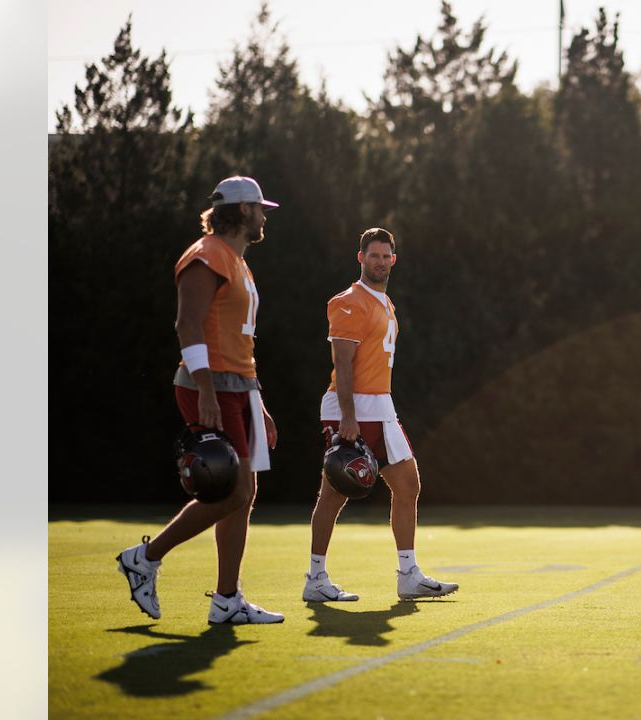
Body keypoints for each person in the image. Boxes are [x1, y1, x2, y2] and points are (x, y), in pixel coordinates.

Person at [115, 176, 285, 625]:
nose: (264, 215)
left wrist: (258, 400)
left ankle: (227, 600)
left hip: (238, 385)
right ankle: (146, 557)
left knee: (242, 493)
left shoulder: (237, 260)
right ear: (241, 211)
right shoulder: (207, 253)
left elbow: (238, 341)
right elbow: (187, 325)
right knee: (231, 493)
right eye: (259, 208)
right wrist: (207, 388)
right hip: (209, 385)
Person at [302, 227, 459, 603]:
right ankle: (316, 577)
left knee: (408, 486)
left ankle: (408, 574)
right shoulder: (348, 301)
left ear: (394, 259)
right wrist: (348, 416)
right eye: (373, 255)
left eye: (385, 255)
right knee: (334, 494)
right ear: (361, 258)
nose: (380, 261)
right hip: (353, 407)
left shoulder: (385, 303)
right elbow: (342, 363)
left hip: (382, 406)